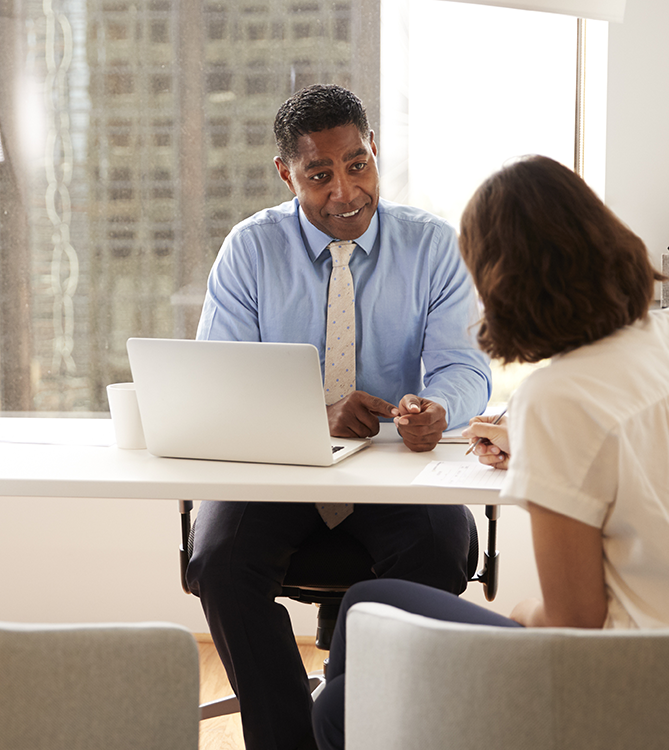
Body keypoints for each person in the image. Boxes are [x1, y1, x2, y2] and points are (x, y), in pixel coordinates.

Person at [311, 155, 669, 750]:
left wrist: (519, 616)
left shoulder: (557, 397)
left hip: (629, 696)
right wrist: (540, 448)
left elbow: (571, 625)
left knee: (342, 694)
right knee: (365, 614)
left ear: (501, 285)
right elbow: (654, 448)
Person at [188, 84, 492, 750]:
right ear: (286, 174)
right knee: (218, 560)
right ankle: (292, 739)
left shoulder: (433, 246)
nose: (344, 191)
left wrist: (438, 411)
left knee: (441, 550)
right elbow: (220, 387)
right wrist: (318, 414)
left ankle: (366, 727)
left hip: (394, 465)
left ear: (375, 151)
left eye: (357, 165)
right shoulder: (250, 250)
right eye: (319, 175)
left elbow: (468, 369)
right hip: (281, 466)